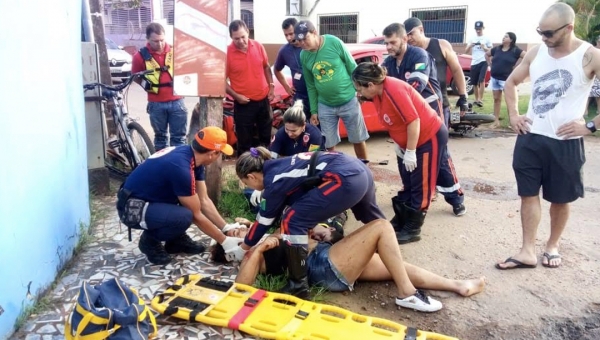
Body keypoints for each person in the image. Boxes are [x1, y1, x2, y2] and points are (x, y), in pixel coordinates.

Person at [497, 3, 600, 270]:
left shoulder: (590, 56)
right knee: (528, 194)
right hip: (530, 138)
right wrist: (514, 115)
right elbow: (510, 83)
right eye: (540, 32)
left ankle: (552, 245)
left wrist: (590, 125)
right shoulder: (536, 52)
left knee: (560, 198)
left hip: (565, 143)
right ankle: (527, 251)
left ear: (569, 28)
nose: (544, 38)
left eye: (549, 33)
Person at [212, 220, 486, 312]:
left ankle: (457, 286)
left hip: (324, 256)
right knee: (380, 228)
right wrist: (259, 247)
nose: (237, 232)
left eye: (236, 230)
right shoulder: (253, 254)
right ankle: (407, 295)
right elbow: (241, 287)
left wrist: (313, 231)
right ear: (230, 253)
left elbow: (296, 242)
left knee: (395, 264)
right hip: (321, 267)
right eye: (233, 236)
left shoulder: (257, 232)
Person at [226, 147, 386, 298]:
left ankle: (297, 285)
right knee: (376, 222)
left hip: (345, 178)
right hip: (359, 169)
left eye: (247, 184)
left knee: (292, 220)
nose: (251, 187)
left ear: (251, 177)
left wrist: (244, 247)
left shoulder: (273, 180)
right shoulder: (280, 165)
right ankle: (390, 253)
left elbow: (263, 221)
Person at [116, 127, 245, 265]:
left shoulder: (194, 158)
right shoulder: (181, 167)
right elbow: (196, 215)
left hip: (150, 200)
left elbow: (204, 200)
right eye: (220, 153)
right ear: (212, 153)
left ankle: (175, 240)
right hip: (131, 208)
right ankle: (149, 242)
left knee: (187, 206)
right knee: (184, 216)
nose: (220, 157)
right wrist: (224, 241)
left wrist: (226, 227)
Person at [352, 62, 447, 244]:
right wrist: (400, 145)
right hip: (410, 142)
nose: (359, 93)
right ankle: (403, 218)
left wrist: (410, 150)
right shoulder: (378, 92)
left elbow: (413, 121)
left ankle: (413, 228)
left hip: (428, 137)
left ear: (370, 85)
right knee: (409, 181)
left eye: (359, 88)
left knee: (421, 183)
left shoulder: (394, 90)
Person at [381, 23, 466, 222]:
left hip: (429, 112)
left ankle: (456, 198)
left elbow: (415, 86)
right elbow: (380, 82)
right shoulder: (389, 63)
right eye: (386, 43)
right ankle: (415, 195)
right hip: (406, 114)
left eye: (392, 42)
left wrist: (395, 102)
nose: (388, 47)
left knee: (440, 155)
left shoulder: (419, 55)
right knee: (406, 155)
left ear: (404, 39)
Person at [295, 20, 369, 160]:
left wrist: (360, 89)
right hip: (325, 105)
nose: (302, 44)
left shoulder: (334, 42)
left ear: (315, 33)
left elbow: (352, 66)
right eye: (300, 41)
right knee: (328, 143)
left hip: (348, 100)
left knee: (357, 139)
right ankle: (333, 169)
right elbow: (310, 85)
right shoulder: (304, 55)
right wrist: (314, 111)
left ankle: (365, 169)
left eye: (305, 39)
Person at [246, 100, 324, 207]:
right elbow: (270, 160)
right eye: (287, 129)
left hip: (310, 171)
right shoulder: (281, 133)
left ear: (303, 126)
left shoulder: (314, 135)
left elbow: (311, 163)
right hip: (286, 168)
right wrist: (263, 183)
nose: (290, 133)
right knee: (251, 193)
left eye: (294, 131)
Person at [131, 22, 187, 151]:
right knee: (160, 138)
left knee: (179, 139)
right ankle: (161, 166)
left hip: (177, 102)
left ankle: (177, 166)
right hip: (156, 104)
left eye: (162, 40)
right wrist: (147, 85)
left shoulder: (175, 52)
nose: (160, 44)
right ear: (148, 39)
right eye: (155, 41)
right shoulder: (139, 57)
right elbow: (135, 76)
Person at [402, 17, 470, 120]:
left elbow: (456, 70)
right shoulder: (407, 52)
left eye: (411, 33)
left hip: (440, 102)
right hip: (416, 104)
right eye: (406, 36)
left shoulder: (442, 45)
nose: (409, 38)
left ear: (421, 30)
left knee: (443, 133)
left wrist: (463, 97)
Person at [226, 19, 274, 156]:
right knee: (244, 141)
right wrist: (236, 96)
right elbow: (221, 81)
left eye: (243, 37)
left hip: (263, 101)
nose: (241, 41)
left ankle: (265, 168)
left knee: (265, 138)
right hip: (243, 104)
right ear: (231, 37)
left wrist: (271, 86)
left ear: (248, 32)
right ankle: (245, 172)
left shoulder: (258, 46)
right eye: (236, 38)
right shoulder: (227, 53)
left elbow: (266, 66)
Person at [274, 18, 312, 121]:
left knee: (319, 129)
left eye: (291, 34)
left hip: (317, 96)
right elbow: (276, 70)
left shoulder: (311, 45)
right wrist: (286, 86)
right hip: (299, 97)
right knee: (299, 127)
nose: (289, 38)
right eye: (286, 35)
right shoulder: (284, 51)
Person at [485, 32, 525, 128]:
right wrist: (490, 64)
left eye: (506, 36)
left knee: (510, 101)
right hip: (495, 78)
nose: (503, 38)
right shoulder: (497, 49)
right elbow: (487, 54)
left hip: (507, 80)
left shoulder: (515, 51)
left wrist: (519, 67)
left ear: (511, 39)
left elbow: (527, 57)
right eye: (503, 36)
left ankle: (513, 123)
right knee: (496, 99)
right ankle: (496, 121)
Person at [465, 21, 492, 107]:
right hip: (474, 62)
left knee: (481, 80)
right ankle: (476, 99)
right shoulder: (472, 38)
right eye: (476, 29)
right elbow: (466, 51)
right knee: (474, 82)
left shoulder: (487, 38)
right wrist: (470, 46)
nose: (478, 31)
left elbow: (491, 51)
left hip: (483, 61)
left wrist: (484, 47)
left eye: (479, 29)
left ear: (483, 28)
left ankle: (480, 99)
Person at [588, 36, 600, 116]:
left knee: (598, 95)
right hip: (591, 75)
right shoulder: (592, 50)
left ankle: (598, 111)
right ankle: (585, 112)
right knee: (588, 95)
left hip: (597, 75)